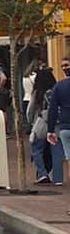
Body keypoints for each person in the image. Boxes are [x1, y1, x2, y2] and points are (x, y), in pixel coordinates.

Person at [45, 60, 70, 188]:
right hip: (65, 126)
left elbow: (53, 109)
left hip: (65, 125)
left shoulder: (59, 86)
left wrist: (50, 130)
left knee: (68, 157)